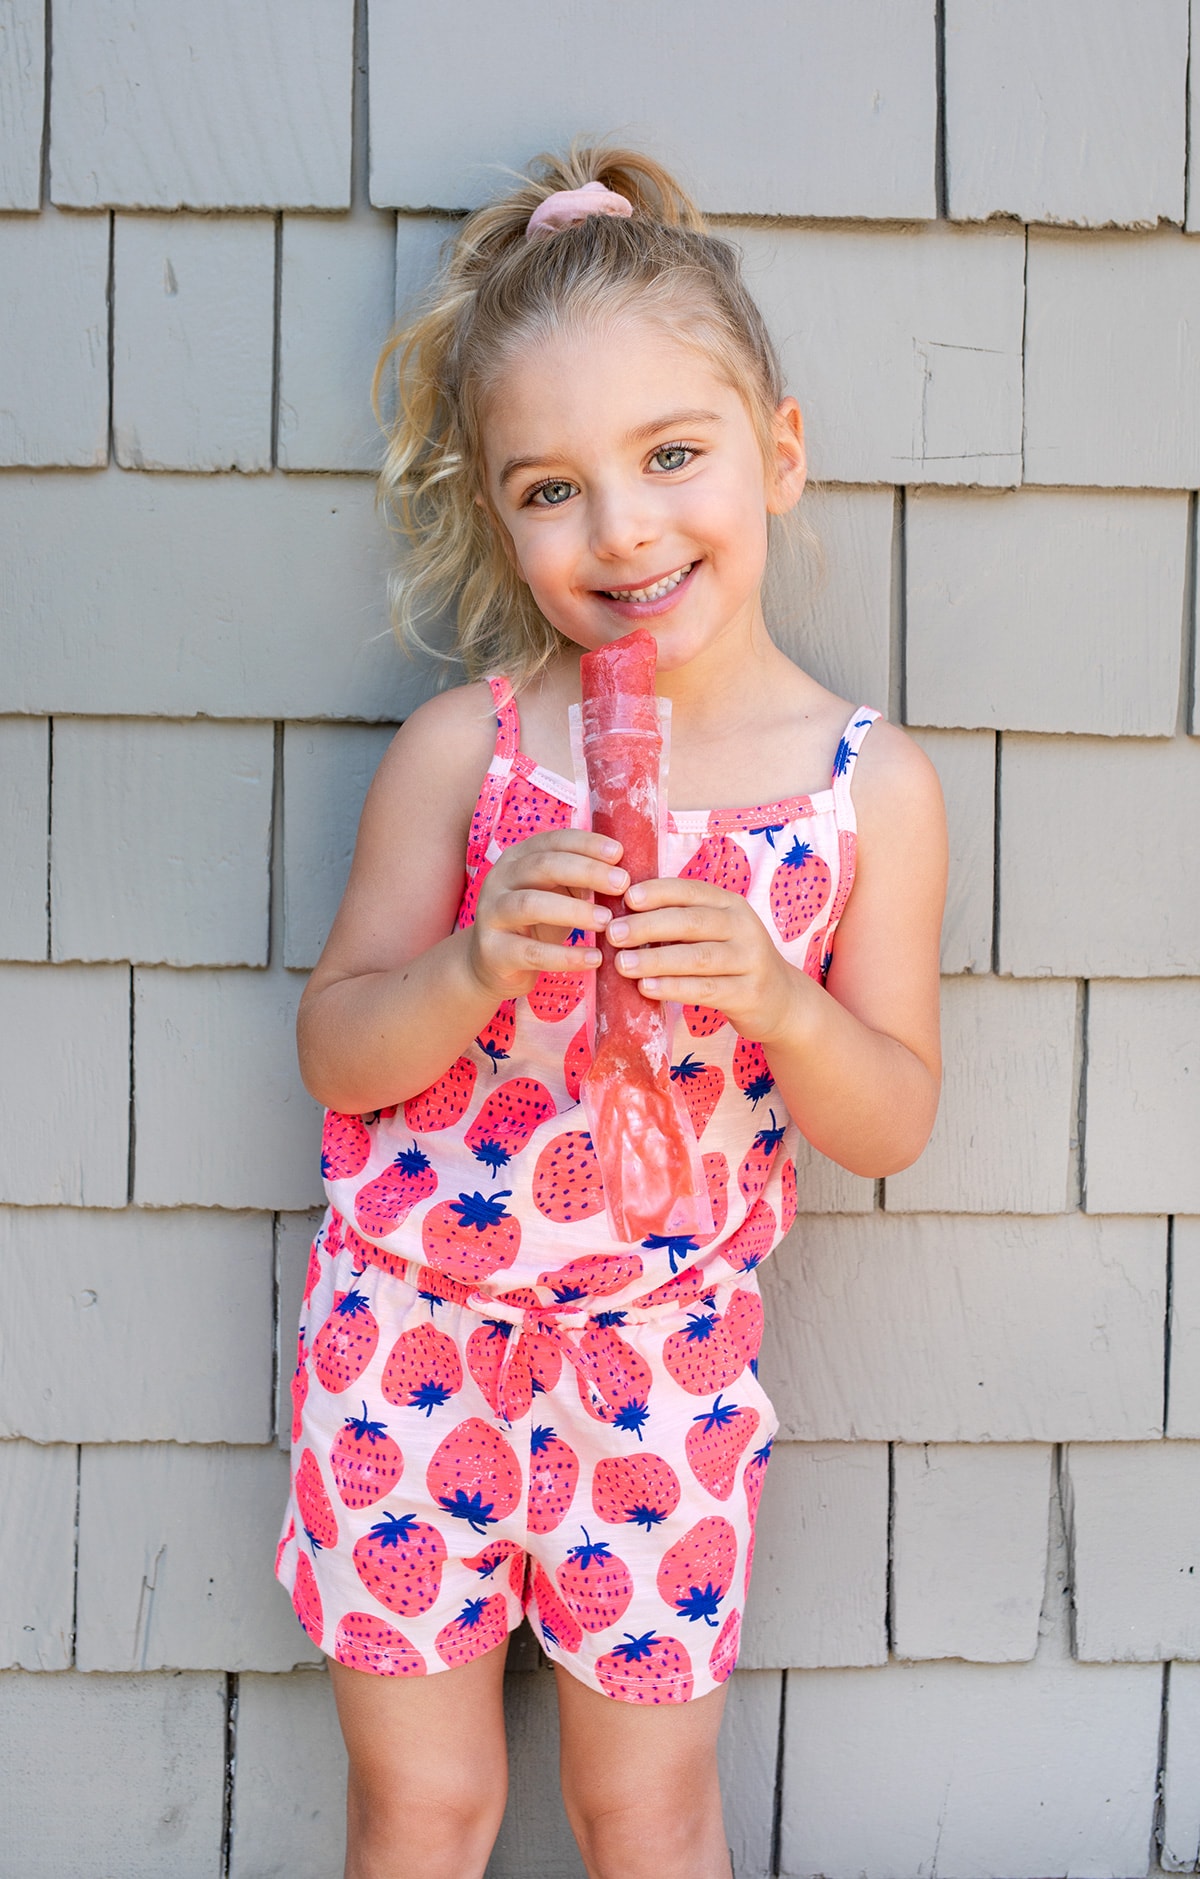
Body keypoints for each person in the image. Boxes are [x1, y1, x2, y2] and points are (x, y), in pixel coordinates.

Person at [276, 141, 947, 1879]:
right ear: (498, 516)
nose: (626, 527)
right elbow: (337, 1049)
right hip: (407, 1341)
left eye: (670, 456)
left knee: (640, 1810)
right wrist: (468, 966)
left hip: (663, 1366)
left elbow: (891, 1117)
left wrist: (785, 1010)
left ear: (776, 456)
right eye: (552, 486)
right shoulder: (470, 753)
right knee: (423, 1805)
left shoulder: (866, 792)